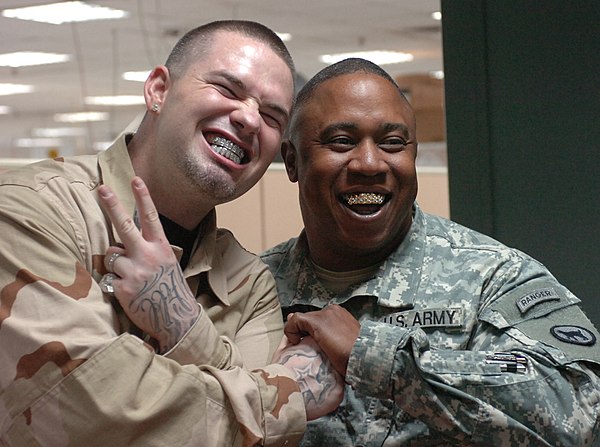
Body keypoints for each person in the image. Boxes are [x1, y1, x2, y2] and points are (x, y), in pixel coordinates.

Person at [0, 20, 342, 447]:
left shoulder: (247, 282)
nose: (250, 118)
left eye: (273, 116)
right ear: (158, 90)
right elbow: (95, 417)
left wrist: (181, 321)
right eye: (228, 89)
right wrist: (286, 403)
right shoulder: (33, 211)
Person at [260, 58, 600, 446]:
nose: (370, 163)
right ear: (291, 160)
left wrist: (378, 357)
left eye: (392, 143)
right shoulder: (252, 288)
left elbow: (583, 409)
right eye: (341, 141)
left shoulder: (494, 276)